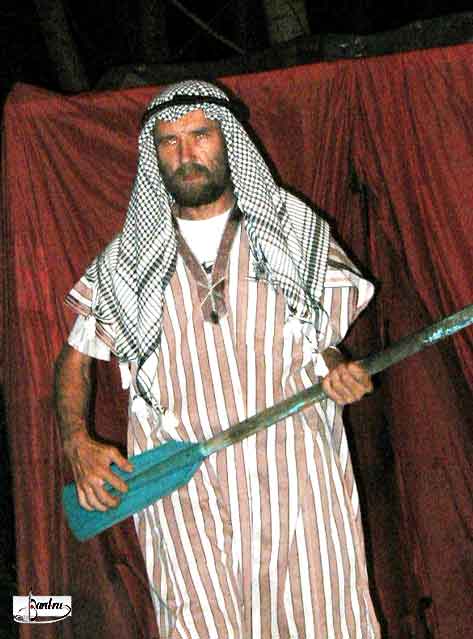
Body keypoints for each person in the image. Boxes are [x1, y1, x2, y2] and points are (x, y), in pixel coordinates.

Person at [55, 79, 380, 639]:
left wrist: (335, 365)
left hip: (295, 477)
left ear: (228, 140)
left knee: (322, 619)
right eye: (170, 141)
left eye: (200, 135)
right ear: (154, 155)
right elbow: (74, 360)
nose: (186, 153)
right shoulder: (127, 260)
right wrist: (76, 443)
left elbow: (319, 338)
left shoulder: (292, 230)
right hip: (183, 492)